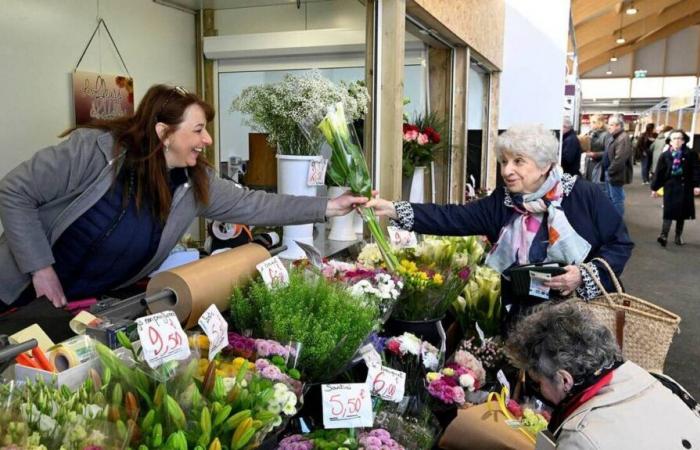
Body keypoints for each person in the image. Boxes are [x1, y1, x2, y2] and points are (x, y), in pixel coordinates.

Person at [0, 84, 366, 332]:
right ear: (163, 133)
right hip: (16, 294)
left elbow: (255, 204)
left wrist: (329, 206)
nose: (207, 140)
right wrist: (41, 269)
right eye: (198, 130)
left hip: (84, 310)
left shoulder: (194, 184)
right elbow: (13, 192)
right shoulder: (93, 151)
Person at [367, 124, 633, 322]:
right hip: (523, 318)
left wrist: (583, 275)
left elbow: (620, 244)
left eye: (518, 162)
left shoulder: (582, 195)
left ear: (544, 166)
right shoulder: (503, 202)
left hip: (581, 317)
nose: (507, 170)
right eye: (504, 161)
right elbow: (451, 217)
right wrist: (392, 209)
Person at [505, 301, 700, 449]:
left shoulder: (581, 439)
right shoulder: (661, 381)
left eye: (539, 382)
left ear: (565, 380)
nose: (540, 390)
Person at [650, 130, 700, 246]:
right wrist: (655, 188)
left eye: (679, 138)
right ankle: (664, 235)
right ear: (670, 141)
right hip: (670, 187)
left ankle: (678, 236)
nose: (677, 141)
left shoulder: (690, 154)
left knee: (681, 213)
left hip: (685, 187)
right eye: (674, 138)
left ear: (683, 141)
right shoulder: (665, 155)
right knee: (668, 212)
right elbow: (659, 173)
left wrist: (697, 185)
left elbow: (696, 170)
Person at [603, 114, 634, 217]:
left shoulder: (622, 138)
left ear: (618, 126)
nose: (609, 127)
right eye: (609, 124)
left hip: (616, 174)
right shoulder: (615, 137)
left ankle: (617, 222)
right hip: (612, 173)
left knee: (617, 200)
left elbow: (620, 159)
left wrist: (610, 171)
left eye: (611, 125)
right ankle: (613, 219)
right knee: (613, 198)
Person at [584, 115, 609, 187]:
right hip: (589, 164)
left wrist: (595, 154)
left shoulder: (606, 135)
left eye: (594, 122)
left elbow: (609, 152)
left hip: (599, 165)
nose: (591, 124)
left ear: (600, 123)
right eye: (591, 122)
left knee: (597, 187)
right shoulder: (590, 133)